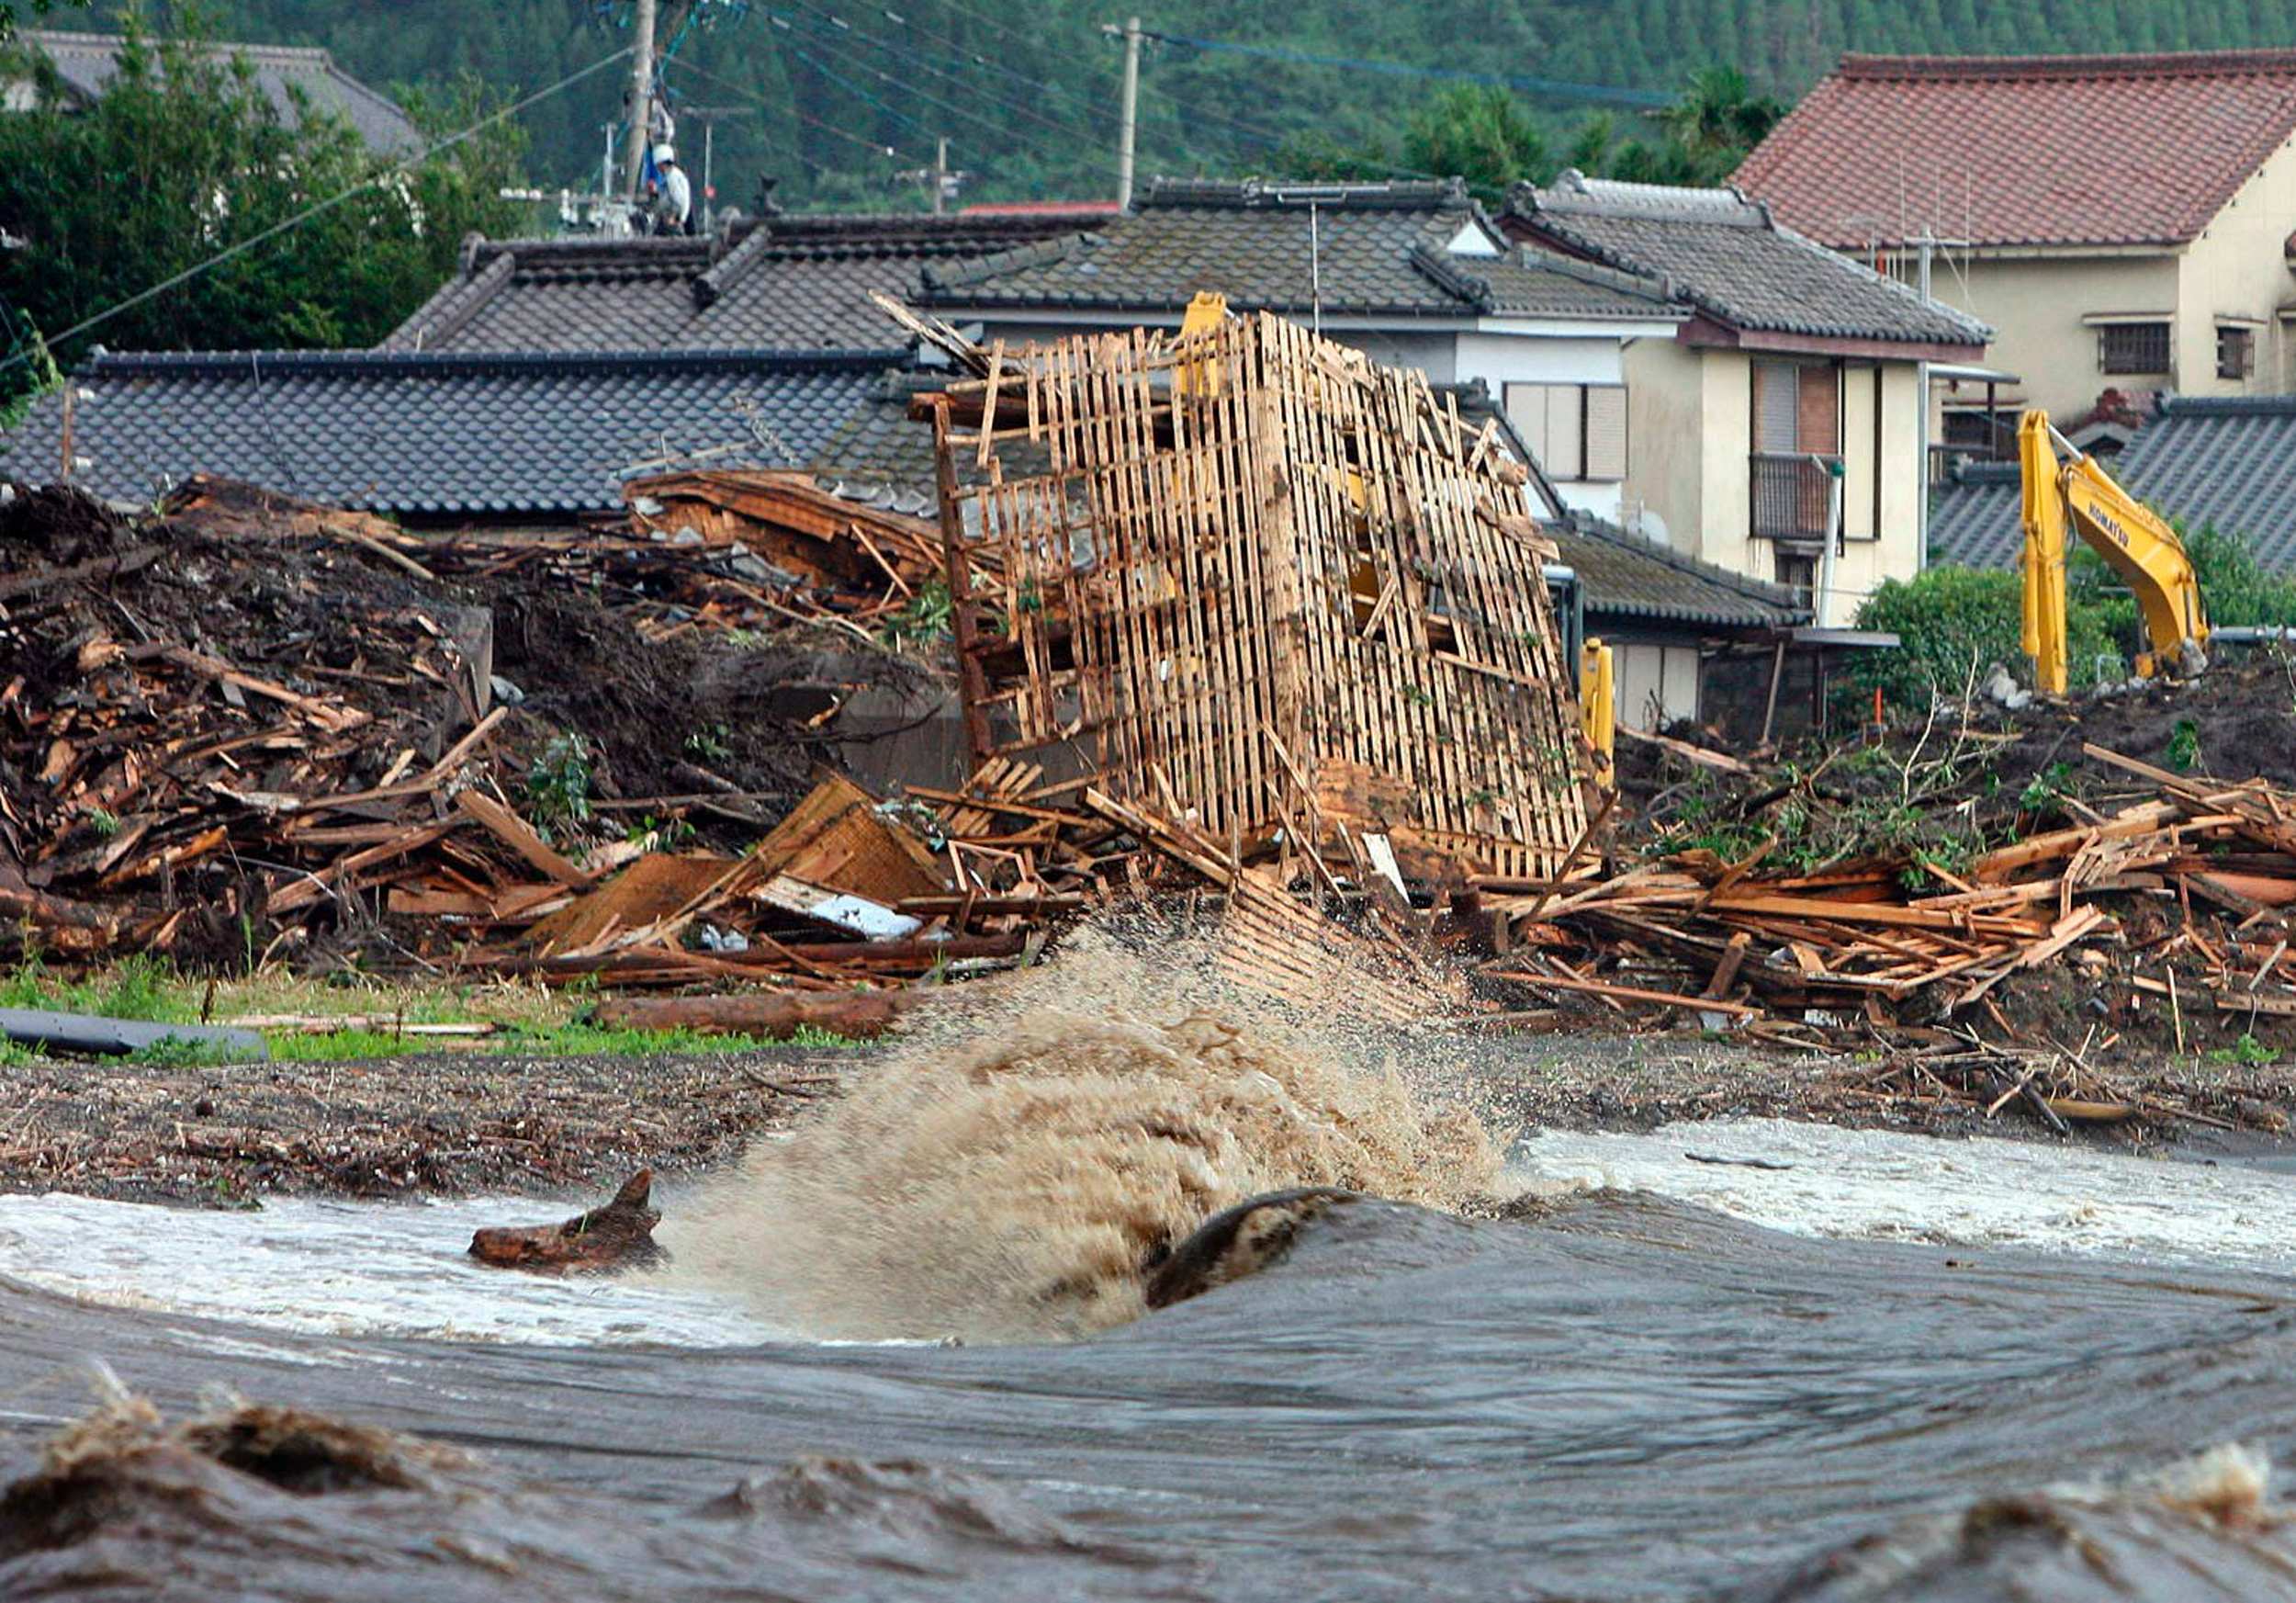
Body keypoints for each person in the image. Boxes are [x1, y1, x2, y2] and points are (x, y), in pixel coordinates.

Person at [654, 145, 692, 236]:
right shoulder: (670, 175)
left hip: (673, 221)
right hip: (667, 218)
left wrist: (674, 217)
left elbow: (678, 200)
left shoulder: (672, 177)